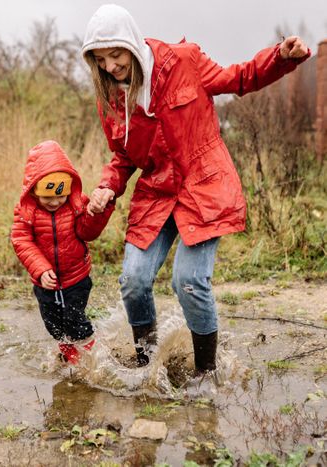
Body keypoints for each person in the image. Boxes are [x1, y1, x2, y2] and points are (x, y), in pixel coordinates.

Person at [81, 4, 310, 371]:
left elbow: (238, 78)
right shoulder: (110, 95)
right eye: (100, 59)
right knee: (133, 280)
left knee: (188, 281)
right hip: (156, 192)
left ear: (132, 43)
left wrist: (280, 58)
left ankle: (206, 373)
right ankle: (146, 365)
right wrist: (107, 186)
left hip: (203, 184)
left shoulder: (183, 62)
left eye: (115, 54)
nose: (110, 66)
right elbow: (122, 156)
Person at [11, 140, 115, 364]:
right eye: (47, 197)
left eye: (60, 196)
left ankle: (92, 358)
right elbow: (21, 240)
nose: (55, 202)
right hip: (45, 282)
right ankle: (70, 356)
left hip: (76, 277)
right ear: (34, 190)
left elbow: (87, 232)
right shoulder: (26, 212)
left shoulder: (76, 204)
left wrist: (98, 214)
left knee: (74, 319)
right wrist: (40, 269)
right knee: (53, 324)